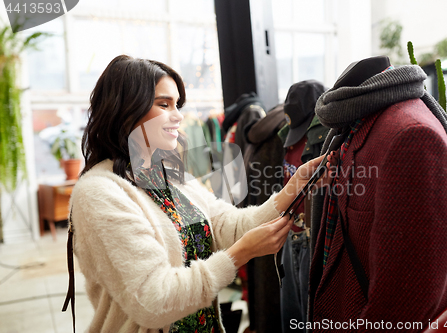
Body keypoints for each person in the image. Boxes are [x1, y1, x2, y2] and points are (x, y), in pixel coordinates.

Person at [68, 55, 331, 333]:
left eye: (177, 105)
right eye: (164, 104)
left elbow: (227, 224)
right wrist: (239, 255)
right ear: (126, 109)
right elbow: (152, 302)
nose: (178, 116)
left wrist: (296, 185)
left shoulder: (169, 176)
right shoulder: (99, 193)